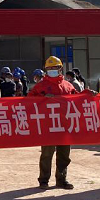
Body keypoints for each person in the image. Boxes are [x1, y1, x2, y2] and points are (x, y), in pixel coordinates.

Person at [28, 56, 84, 190]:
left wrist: (89, 94)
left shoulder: (67, 85)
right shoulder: (40, 86)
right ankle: (43, 180)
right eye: (49, 68)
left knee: (64, 155)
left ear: (60, 69)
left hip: (65, 125)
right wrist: (42, 98)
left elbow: (78, 98)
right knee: (47, 154)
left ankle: (61, 179)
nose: (52, 70)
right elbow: (28, 100)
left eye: (55, 68)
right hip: (48, 126)